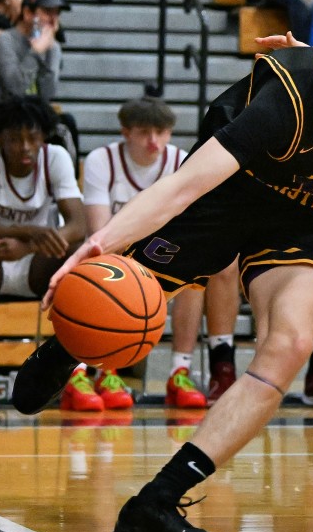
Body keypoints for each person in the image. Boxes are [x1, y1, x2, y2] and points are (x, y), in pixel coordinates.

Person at [8, 0, 313, 532]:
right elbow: (183, 185)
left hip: (300, 215)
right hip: (222, 195)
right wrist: (99, 243)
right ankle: (68, 346)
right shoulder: (288, 103)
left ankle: (157, 503)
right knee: (120, 294)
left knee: (289, 344)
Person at [81, 98, 233, 411]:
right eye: (144, 133)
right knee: (102, 265)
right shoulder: (102, 160)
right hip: (114, 253)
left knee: (195, 273)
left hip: (163, 253)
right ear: (126, 132)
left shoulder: (181, 159)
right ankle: (104, 371)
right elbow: (99, 231)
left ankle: (180, 372)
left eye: (161, 132)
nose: (154, 141)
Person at [0, 96, 85, 414]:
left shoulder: (55, 157)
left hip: (33, 264)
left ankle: (76, 374)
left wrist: (28, 246)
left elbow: (78, 225)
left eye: (32, 137)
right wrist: (32, 233)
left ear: (43, 135)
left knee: (75, 257)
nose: (25, 146)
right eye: (15, 139)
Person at [0, 0, 66, 112]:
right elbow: (15, 90)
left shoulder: (52, 47)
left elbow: (47, 94)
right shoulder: (4, 41)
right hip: (6, 118)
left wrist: (51, 52)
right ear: (28, 13)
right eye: (48, 12)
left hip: (36, 118)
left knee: (68, 124)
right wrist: (36, 53)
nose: (53, 20)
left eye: (57, 13)